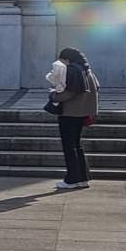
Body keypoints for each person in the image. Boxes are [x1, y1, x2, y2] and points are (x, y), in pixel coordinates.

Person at [47, 47, 100, 191]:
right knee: (77, 146)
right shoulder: (88, 71)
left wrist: (53, 95)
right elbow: (96, 88)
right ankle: (82, 179)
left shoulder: (72, 70)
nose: (61, 64)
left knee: (69, 147)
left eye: (62, 61)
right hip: (82, 113)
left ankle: (71, 179)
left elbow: (68, 93)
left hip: (70, 113)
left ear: (67, 59)